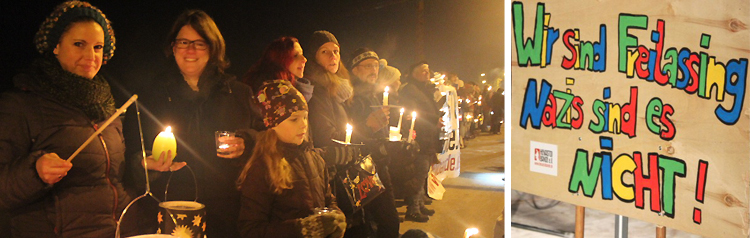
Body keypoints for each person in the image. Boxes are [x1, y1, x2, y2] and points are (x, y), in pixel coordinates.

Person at [0, 1, 135, 237]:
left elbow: (112, 181)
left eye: (97, 47)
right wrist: (35, 171)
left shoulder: (107, 107)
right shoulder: (22, 104)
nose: (90, 55)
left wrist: (146, 167)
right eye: (79, 44)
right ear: (56, 46)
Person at [123, 9, 260, 238]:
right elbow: (129, 154)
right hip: (169, 213)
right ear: (173, 47)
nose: (190, 50)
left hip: (227, 214)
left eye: (200, 43)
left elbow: (266, 138)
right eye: (183, 42)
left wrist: (248, 141)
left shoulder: (238, 93)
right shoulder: (150, 97)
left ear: (213, 47)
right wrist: (143, 164)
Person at [237, 80, 346, 238]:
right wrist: (301, 230)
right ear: (273, 124)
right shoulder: (263, 167)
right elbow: (250, 229)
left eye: (305, 117)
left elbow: (328, 200)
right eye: (294, 119)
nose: (303, 125)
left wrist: (336, 218)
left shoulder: (314, 159)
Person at [346, 48, 400, 237]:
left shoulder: (373, 95)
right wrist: (368, 126)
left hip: (380, 164)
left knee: (386, 222)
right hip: (364, 170)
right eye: (368, 66)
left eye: (376, 66)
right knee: (386, 221)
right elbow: (348, 134)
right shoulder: (352, 98)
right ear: (355, 70)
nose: (374, 70)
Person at [397, 61, 441, 222]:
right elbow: (414, 113)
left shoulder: (423, 89)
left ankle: (420, 203)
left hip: (429, 137)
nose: (427, 73)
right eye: (423, 70)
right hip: (420, 138)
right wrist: (434, 119)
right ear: (413, 73)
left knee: (424, 173)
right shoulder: (410, 90)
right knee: (418, 173)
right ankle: (413, 209)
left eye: (428, 70)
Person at [243, 36, 314, 101]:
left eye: (302, 54)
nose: (304, 59)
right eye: (295, 55)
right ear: (280, 60)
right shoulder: (268, 92)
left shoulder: (303, 88)